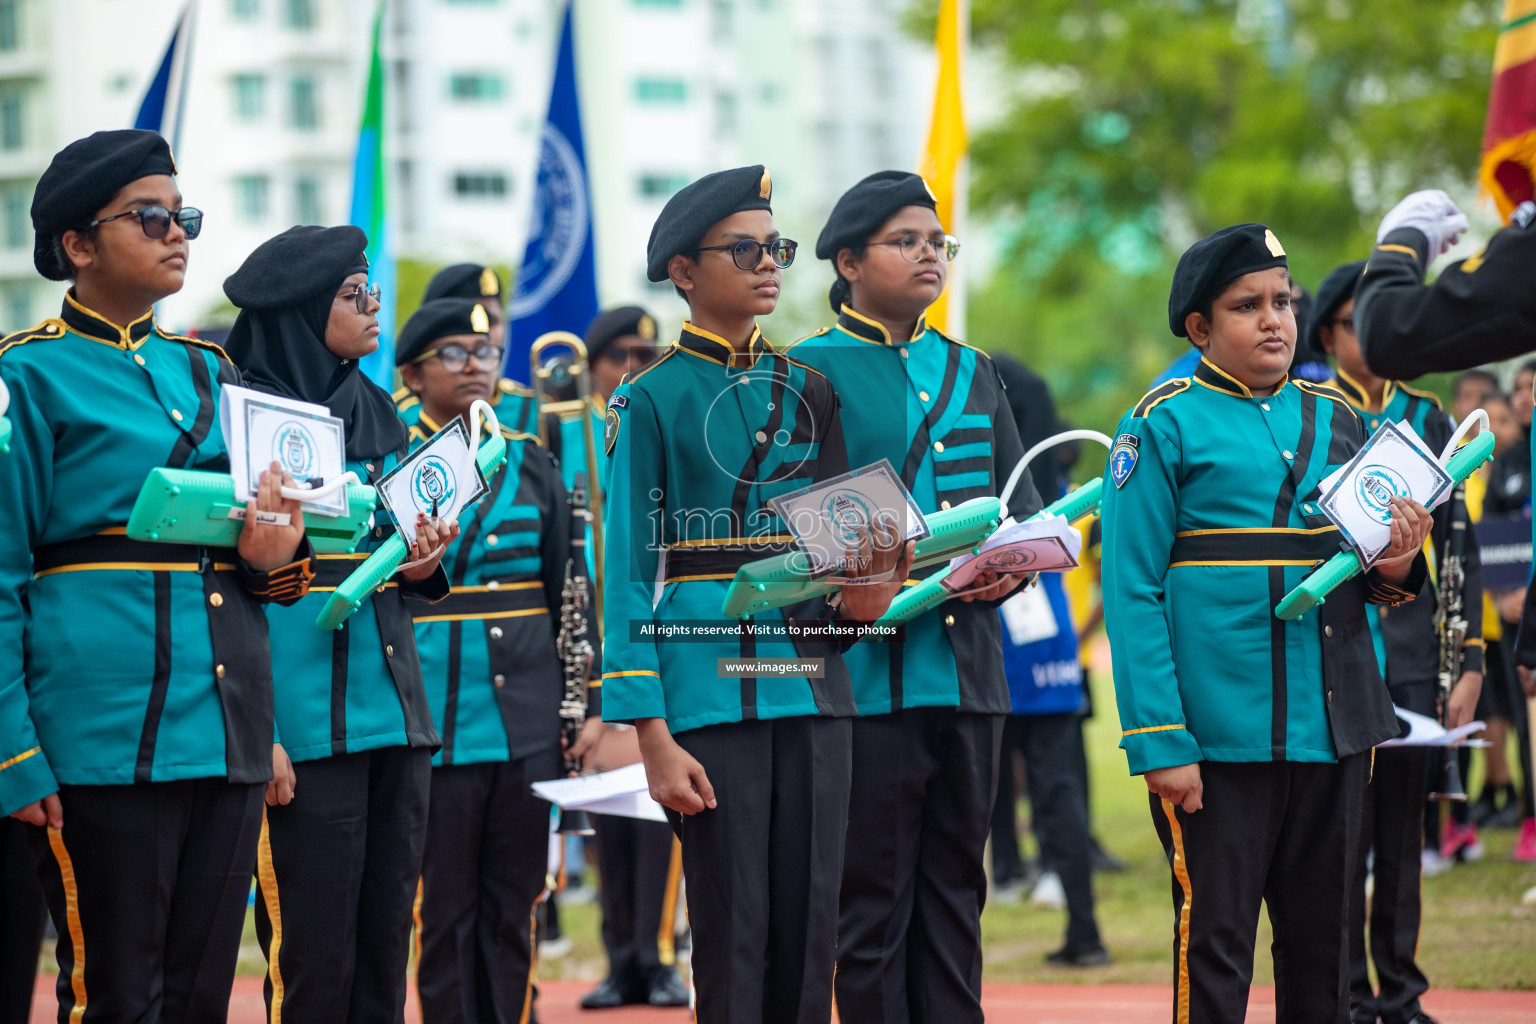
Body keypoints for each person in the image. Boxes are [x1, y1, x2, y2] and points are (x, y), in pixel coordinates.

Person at [0, 129, 313, 1022]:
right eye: (150, 218)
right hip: (99, 736)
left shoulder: (212, 372)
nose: (178, 234)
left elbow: (282, 576)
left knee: (202, 995)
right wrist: (13, 752)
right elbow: (0, 574)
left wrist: (274, 553)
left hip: (223, 731)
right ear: (78, 244)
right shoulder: (28, 376)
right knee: (116, 994)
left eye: (184, 217)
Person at [601, 165, 910, 1024]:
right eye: (746, 249)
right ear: (684, 272)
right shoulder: (651, 398)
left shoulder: (812, 388)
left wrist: (873, 589)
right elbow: (627, 568)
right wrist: (651, 737)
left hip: (813, 685)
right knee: (734, 939)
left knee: (814, 938)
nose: (770, 262)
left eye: (776, 246)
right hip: (707, 695)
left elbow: (849, 557)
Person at [1102, 224, 1433, 1023]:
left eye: (1283, 301)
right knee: (1215, 949)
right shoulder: (1159, 425)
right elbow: (1131, 591)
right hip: (1216, 743)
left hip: (1333, 730)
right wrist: (1160, 740)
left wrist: (1397, 560)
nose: (1275, 319)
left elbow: (1369, 579)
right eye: (1247, 305)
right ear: (1201, 328)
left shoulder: (1339, 419)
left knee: (1325, 955)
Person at [781, 170, 1040, 1020]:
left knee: (958, 902)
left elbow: (1020, 510)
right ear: (848, 261)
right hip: (864, 685)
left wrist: (1016, 565)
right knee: (871, 913)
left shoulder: (973, 371)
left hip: (969, 680)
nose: (930, 254)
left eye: (938, 242)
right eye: (907, 241)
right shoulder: (803, 374)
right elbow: (793, 544)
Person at [224, 225, 458, 1024]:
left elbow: (394, 559)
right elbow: (223, 584)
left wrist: (422, 560)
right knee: (313, 962)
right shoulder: (238, 414)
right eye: (354, 294)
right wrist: (261, 730)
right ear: (298, 311)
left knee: (383, 957)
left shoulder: (376, 407)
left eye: (373, 289)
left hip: (395, 718)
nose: (374, 306)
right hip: (301, 725)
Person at [393, 297, 606, 1022]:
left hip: (528, 720)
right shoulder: (392, 460)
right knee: (445, 909)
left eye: (484, 354)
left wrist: (583, 706)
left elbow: (568, 590)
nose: (476, 366)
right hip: (436, 715)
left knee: (517, 904)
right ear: (412, 374)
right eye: (454, 354)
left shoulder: (529, 457)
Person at [1311, 258, 1485, 1024]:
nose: (1374, 339)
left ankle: (1403, 991)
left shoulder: (1427, 412)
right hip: (1344, 652)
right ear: (1328, 334)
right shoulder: (1312, 409)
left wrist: (1470, 655)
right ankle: (1346, 991)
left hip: (1416, 657)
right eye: (1358, 325)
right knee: (1343, 839)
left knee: (1403, 837)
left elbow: (1457, 541)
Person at [574, 305, 689, 1010]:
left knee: (661, 825)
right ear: (592, 364)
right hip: (584, 639)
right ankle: (621, 957)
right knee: (606, 829)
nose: (633, 363)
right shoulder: (566, 431)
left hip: (655, 640)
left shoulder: (663, 423)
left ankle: (661, 955)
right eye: (618, 352)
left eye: (647, 350)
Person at [402, 263, 539, 435]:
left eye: (493, 321)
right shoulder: (393, 416)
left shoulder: (535, 411)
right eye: (453, 352)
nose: (483, 334)